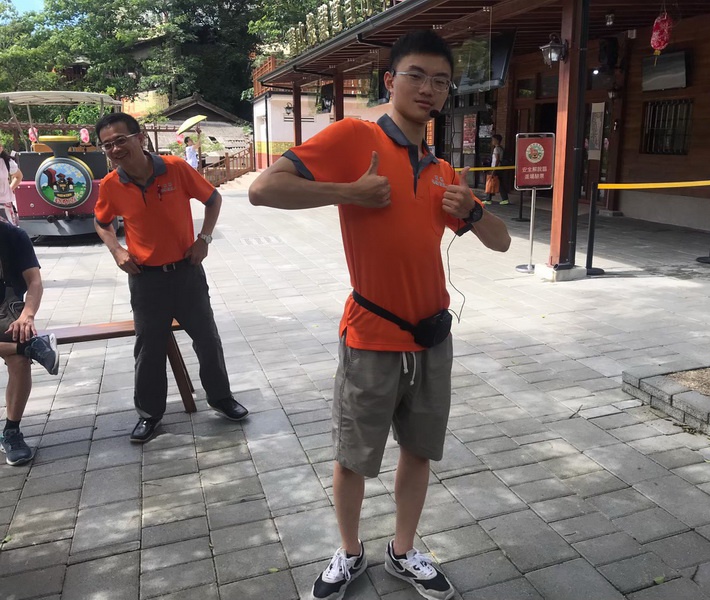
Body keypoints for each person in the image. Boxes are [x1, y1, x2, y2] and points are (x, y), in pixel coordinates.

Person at [249, 30, 510, 600]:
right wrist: (349, 192)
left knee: (419, 450)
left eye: (440, 81)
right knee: (353, 457)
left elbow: (502, 242)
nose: (428, 88)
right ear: (390, 80)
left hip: (431, 338)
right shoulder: (355, 137)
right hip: (371, 335)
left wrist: (473, 210)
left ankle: (403, 550)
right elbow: (264, 189)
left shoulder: (443, 170)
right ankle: (348, 552)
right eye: (416, 75)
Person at [93, 113, 248, 444]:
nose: (115, 149)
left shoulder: (175, 168)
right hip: (146, 280)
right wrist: (117, 251)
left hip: (187, 272)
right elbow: (101, 222)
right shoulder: (111, 185)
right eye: (107, 145)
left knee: (207, 339)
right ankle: (149, 414)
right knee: (148, 348)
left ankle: (221, 398)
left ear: (140, 138)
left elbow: (213, 199)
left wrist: (204, 239)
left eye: (120, 140)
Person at [0, 219, 59, 466]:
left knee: (19, 361)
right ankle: (30, 347)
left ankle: (11, 432)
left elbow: (34, 281)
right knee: (22, 349)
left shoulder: (14, 236)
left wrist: (28, 314)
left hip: (7, 312)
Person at [483, 134, 509, 206]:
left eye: (493, 140)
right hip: (499, 168)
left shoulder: (496, 149)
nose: (492, 141)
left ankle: (488, 199)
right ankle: (505, 199)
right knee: (499, 183)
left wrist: (494, 169)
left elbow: (497, 159)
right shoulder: (501, 148)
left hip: (496, 168)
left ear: (497, 140)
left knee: (491, 182)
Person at [0, 141, 22, 226]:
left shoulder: (6, 162)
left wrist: (9, 189)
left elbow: (19, 176)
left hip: (4, 206)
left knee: (8, 232)